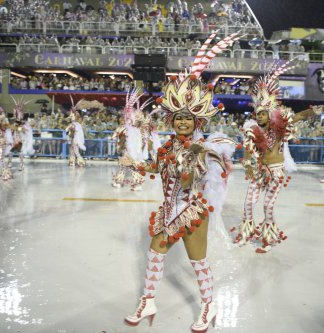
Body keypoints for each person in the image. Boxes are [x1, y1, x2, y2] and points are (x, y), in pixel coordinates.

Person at [124, 31, 240, 332]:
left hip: (191, 210)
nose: (183, 122)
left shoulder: (200, 148)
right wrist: (134, 162)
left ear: (197, 122)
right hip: (169, 208)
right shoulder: (168, 146)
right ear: (172, 120)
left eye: (189, 118)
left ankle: (209, 304)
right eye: (178, 118)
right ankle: (148, 299)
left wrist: (190, 161)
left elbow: (189, 180)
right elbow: (155, 167)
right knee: (155, 252)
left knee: (197, 262)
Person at [232, 61, 323, 253]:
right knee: (248, 203)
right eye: (257, 113)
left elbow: (298, 116)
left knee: (268, 207)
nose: (259, 117)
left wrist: (312, 111)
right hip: (259, 172)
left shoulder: (280, 128)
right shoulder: (252, 130)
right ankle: (246, 235)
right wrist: (248, 164)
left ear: (270, 113)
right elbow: (248, 149)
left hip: (275, 172)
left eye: (263, 114)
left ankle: (268, 240)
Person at [65, 95, 86, 167]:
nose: (72, 110)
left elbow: (77, 120)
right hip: (72, 129)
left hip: (76, 130)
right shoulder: (72, 115)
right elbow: (68, 119)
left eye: (73, 109)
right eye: (72, 109)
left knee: (74, 147)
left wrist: (74, 115)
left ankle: (80, 160)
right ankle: (72, 160)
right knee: (71, 147)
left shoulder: (77, 115)